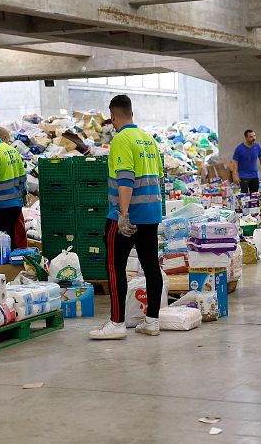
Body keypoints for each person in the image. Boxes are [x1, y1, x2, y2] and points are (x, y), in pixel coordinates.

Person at [90, 95, 164, 340]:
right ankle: (152, 321)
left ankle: (116, 322)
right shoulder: (148, 139)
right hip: (150, 214)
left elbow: (125, 179)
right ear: (131, 112)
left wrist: (123, 215)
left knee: (114, 267)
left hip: (126, 216)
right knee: (151, 265)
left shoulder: (121, 139)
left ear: (112, 115)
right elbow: (158, 177)